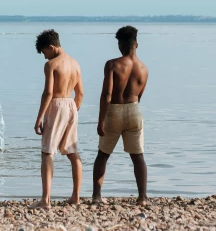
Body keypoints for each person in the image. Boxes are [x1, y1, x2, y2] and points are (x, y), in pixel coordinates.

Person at [92, 25, 150, 207]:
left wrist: (100, 120)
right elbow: (139, 95)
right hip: (134, 110)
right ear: (136, 45)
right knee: (138, 156)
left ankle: (96, 196)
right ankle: (142, 197)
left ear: (120, 45)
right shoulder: (144, 69)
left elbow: (106, 95)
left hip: (115, 110)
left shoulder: (112, 64)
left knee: (103, 155)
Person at [31, 29, 84, 209]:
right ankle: (76, 197)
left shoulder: (52, 65)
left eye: (44, 52)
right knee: (72, 152)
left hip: (56, 105)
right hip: (71, 105)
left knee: (47, 152)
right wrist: (74, 109)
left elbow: (48, 93)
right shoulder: (75, 64)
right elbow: (81, 93)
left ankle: (45, 200)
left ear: (51, 47)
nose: (45, 57)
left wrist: (39, 118)